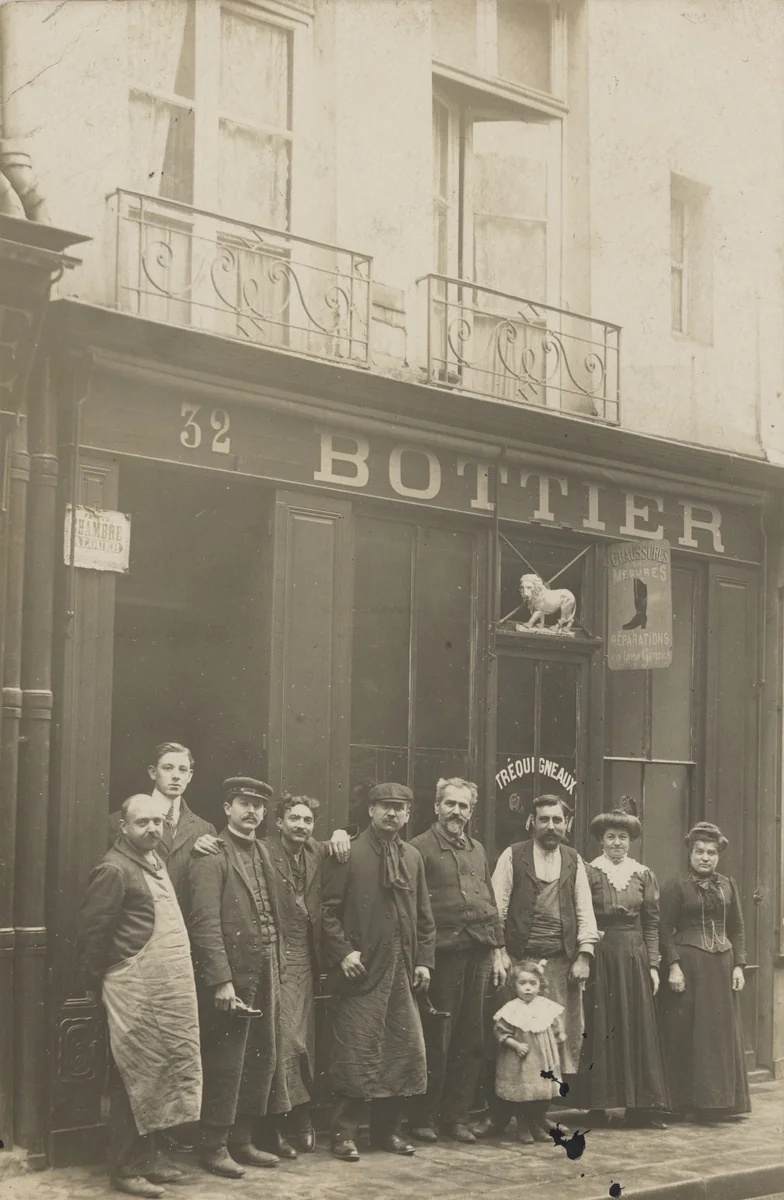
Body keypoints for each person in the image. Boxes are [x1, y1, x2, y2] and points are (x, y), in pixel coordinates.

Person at [77, 794, 202, 1198]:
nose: (152, 829)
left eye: (157, 822)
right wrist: (110, 980)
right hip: (133, 986)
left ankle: (148, 1160)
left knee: (161, 1072)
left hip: (163, 989)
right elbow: (92, 937)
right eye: (142, 823)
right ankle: (125, 1166)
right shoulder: (114, 868)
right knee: (136, 1075)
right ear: (124, 827)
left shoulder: (152, 859)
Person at [322, 782, 436, 1162]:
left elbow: (424, 915)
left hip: (401, 970)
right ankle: (343, 1135)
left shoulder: (413, 857)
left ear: (407, 815)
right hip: (361, 970)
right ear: (370, 811)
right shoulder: (347, 853)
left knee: (401, 1051)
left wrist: (423, 960)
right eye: (384, 806)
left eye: (399, 808)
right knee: (356, 1051)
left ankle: (388, 1133)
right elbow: (326, 911)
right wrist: (344, 953)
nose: (392, 813)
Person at [473, 793, 598, 1137]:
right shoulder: (513, 856)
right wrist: (500, 953)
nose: (551, 826)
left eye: (558, 820)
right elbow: (495, 909)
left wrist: (584, 956)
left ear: (567, 824)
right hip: (517, 965)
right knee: (509, 1038)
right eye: (544, 819)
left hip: (560, 965)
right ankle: (498, 1115)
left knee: (551, 1043)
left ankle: (537, 1115)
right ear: (532, 821)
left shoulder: (574, 861)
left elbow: (585, 911)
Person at [187, 777, 283, 1178]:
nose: (252, 812)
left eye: (259, 806)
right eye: (244, 803)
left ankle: (242, 1140)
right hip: (232, 976)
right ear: (227, 808)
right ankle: (213, 1144)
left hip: (266, 969)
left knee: (261, 1057)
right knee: (226, 1061)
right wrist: (221, 981)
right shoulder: (211, 854)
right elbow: (205, 923)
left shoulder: (264, 851)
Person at [408, 777, 507, 1145]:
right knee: (437, 1039)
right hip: (442, 958)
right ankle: (423, 1118)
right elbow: (415, 911)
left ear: (471, 811)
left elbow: (490, 902)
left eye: (464, 806)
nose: (457, 812)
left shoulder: (478, 849)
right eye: (450, 804)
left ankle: (457, 1117)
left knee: (472, 1039)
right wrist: (422, 958)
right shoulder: (418, 849)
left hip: (479, 953)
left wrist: (497, 951)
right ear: (436, 807)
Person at [262, 794, 352, 1157]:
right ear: (279, 822)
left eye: (307, 820)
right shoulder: (262, 849)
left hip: (305, 958)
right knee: (280, 1041)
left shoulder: (315, 850)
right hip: (273, 955)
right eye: (293, 818)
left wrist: (344, 831)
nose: (301, 825)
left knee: (302, 1043)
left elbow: (342, 841)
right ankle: (279, 1122)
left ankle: (298, 1114)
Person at [582, 806, 669, 1127]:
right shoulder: (589, 872)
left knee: (636, 1026)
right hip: (602, 955)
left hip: (634, 956)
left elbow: (652, 924)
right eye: (610, 837)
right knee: (601, 1024)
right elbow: (582, 915)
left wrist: (654, 966)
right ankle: (597, 1104)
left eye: (623, 838)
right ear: (601, 840)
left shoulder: (643, 874)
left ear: (630, 841)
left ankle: (639, 1106)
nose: (617, 843)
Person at [659, 821, 751, 1122]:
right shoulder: (676, 885)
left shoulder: (728, 884)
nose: (705, 857)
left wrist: (739, 965)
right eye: (699, 851)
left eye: (711, 852)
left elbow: (736, 928)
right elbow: (662, 927)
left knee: (717, 1035)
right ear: (690, 853)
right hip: (688, 967)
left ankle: (719, 1103)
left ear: (718, 856)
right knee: (686, 1033)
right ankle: (684, 1103)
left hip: (721, 967)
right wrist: (672, 965)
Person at [107, 742, 219, 907]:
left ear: (190, 776)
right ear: (153, 772)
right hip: (138, 922)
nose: (176, 776)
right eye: (167, 768)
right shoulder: (117, 822)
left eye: (182, 770)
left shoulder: (204, 829)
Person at [493, 959, 566, 1145]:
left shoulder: (546, 1005)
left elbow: (556, 1028)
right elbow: (501, 1033)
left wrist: (557, 1040)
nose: (528, 988)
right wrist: (516, 1045)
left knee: (540, 1096)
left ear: (540, 985)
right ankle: (523, 1128)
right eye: (522, 983)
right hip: (521, 1061)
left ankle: (536, 1126)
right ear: (514, 985)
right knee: (524, 1095)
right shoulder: (511, 1009)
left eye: (533, 983)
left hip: (542, 1061)